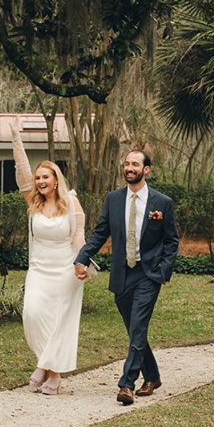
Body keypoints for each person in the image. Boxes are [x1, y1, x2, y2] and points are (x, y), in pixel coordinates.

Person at [75, 149, 180, 405]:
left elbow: (171, 240)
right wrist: (82, 257)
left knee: (139, 325)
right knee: (135, 330)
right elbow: (101, 232)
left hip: (149, 272)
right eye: (126, 164)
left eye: (135, 164)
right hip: (123, 274)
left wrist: (162, 271)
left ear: (146, 170)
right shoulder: (113, 199)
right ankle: (152, 376)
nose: (129, 167)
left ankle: (127, 384)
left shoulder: (161, 203)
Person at [12, 122, 85, 396]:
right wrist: (16, 139)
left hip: (66, 270)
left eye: (45, 177)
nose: (40, 181)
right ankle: (44, 362)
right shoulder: (34, 202)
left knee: (61, 322)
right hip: (39, 270)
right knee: (32, 314)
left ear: (56, 180)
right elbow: (21, 174)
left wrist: (82, 262)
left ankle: (53, 373)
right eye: (38, 177)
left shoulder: (72, 202)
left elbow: (78, 236)